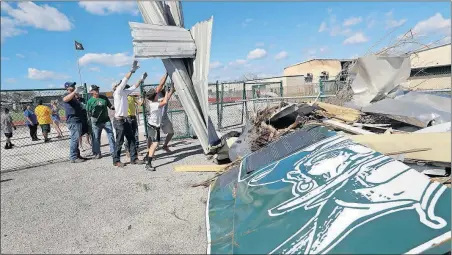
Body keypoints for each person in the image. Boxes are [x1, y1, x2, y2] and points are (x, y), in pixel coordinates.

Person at [111, 60, 146, 167]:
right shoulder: (117, 92)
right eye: (120, 84)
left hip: (125, 120)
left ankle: (134, 158)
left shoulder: (124, 93)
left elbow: (134, 86)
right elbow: (125, 81)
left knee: (131, 139)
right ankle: (116, 160)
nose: (122, 85)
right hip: (119, 121)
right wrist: (132, 71)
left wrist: (141, 79)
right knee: (119, 141)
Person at [86, 85, 116, 160]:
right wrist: (92, 114)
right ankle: (97, 153)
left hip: (106, 120)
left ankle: (113, 152)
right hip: (96, 123)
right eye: (95, 90)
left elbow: (110, 106)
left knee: (111, 136)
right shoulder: (90, 101)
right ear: (91, 92)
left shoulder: (104, 98)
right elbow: (88, 112)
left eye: (97, 89)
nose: (97, 91)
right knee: (96, 138)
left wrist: (116, 106)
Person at [144, 87, 169, 171]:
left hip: (152, 125)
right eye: (156, 94)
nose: (157, 94)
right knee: (155, 144)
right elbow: (165, 101)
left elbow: (164, 100)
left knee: (154, 144)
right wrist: (166, 92)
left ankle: (148, 157)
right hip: (154, 127)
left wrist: (169, 92)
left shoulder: (153, 102)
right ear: (154, 96)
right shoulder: (154, 104)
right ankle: (148, 163)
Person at [62, 81, 88, 163]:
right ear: (67, 88)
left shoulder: (74, 96)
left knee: (77, 138)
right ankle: (73, 157)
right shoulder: (66, 95)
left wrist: (77, 96)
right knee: (75, 138)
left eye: (73, 85)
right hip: (73, 120)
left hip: (78, 119)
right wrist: (74, 92)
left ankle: (77, 155)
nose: (73, 86)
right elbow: (65, 99)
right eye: (71, 86)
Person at [123, 88, 141, 158]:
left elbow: (140, 103)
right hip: (127, 117)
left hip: (133, 117)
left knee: (136, 134)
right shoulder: (123, 97)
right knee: (128, 135)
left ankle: (136, 149)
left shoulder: (132, 97)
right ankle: (127, 150)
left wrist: (143, 97)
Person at [158, 84, 176, 152]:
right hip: (157, 118)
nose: (167, 90)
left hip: (164, 118)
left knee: (171, 132)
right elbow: (170, 93)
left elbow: (171, 92)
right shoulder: (158, 96)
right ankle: (150, 153)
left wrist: (172, 88)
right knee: (155, 138)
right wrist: (172, 86)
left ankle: (165, 146)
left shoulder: (165, 96)